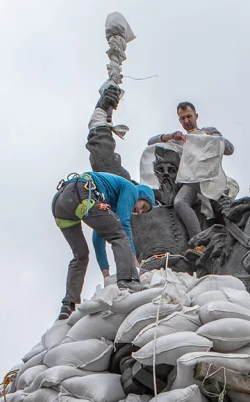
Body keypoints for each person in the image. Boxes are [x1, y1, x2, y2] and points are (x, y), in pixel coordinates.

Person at [52, 171, 154, 319]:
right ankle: (127, 282)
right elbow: (124, 223)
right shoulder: (132, 189)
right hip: (81, 192)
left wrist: (105, 274)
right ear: (141, 196)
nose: (139, 212)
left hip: (60, 204)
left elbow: (98, 236)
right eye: (143, 206)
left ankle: (68, 305)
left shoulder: (108, 202)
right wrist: (133, 260)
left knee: (80, 255)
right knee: (120, 235)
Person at [148, 102, 234, 239]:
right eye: (182, 118)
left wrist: (214, 138)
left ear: (196, 116)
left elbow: (230, 149)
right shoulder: (180, 140)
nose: (186, 121)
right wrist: (170, 136)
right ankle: (199, 241)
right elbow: (151, 142)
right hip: (190, 182)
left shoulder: (209, 131)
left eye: (189, 116)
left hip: (210, 179)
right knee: (179, 202)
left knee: (219, 202)